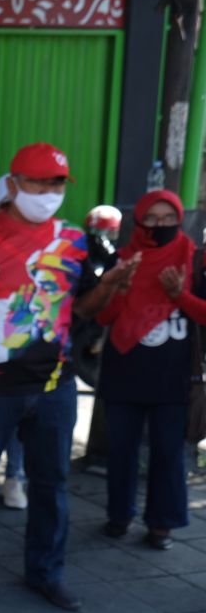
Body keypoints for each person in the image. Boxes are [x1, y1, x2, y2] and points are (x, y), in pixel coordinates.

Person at [0, 143, 138, 611]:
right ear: (15, 184)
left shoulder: (73, 240)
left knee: (50, 485)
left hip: (54, 387)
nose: (48, 191)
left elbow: (81, 311)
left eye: (57, 183)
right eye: (39, 182)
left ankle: (46, 572)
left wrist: (108, 287)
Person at [96, 189, 206, 550]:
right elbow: (102, 317)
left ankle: (162, 524)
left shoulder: (195, 260)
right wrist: (120, 290)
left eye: (169, 218)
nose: (161, 225)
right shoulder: (123, 259)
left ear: (179, 219)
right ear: (139, 221)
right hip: (124, 370)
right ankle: (118, 516)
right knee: (121, 450)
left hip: (172, 376)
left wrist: (179, 295)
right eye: (153, 219)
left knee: (168, 453)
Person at [0, 175, 27, 510]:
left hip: (27, 350)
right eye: (5, 205)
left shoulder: (47, 243)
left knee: (19, 422)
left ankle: (15, 478)